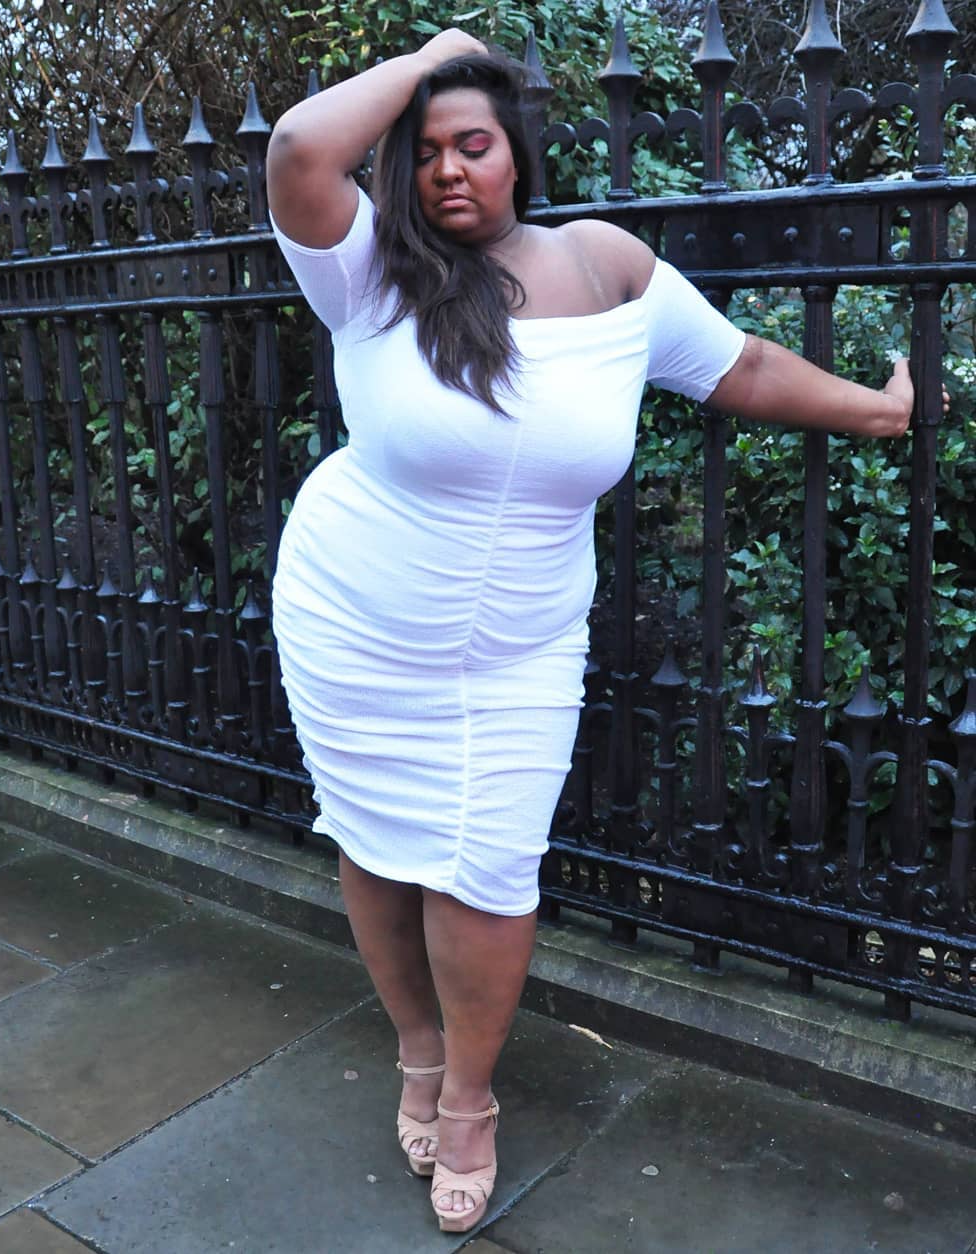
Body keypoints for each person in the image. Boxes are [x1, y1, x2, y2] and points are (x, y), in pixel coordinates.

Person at [265, 28, 935, 1234]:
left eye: (474, 142)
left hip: (523, 645)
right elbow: (303, 149)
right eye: (426, 150)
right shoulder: (369, 274)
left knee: (490, 867)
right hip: (355, 620)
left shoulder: (605, 265)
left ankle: (469, 1098)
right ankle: (418, 1049)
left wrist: (876, 415)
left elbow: (738, 366)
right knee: (375, 838)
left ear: (517, 152)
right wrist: (441, 51)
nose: (449, 168)